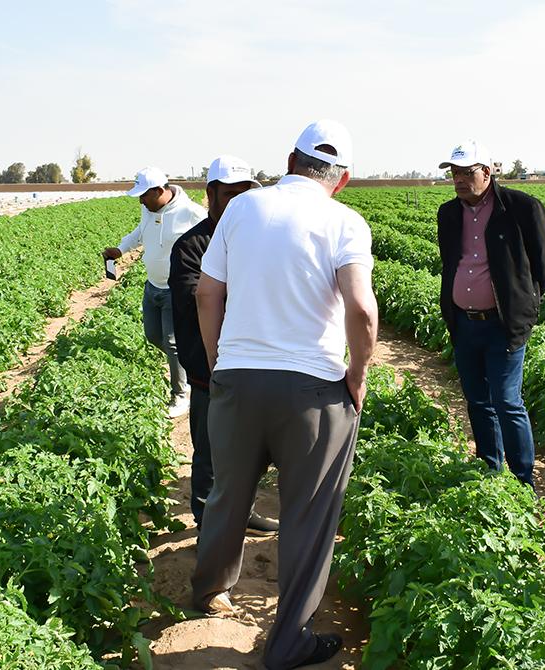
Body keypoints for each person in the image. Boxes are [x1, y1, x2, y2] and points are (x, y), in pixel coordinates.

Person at [190, 120, 378, 670]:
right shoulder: (344, 221)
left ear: (289, 162)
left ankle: (208, 591)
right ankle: (289, 638)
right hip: (314, 388)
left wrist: (219, 360)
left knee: (229, 491)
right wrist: (359, 373)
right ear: (341, 179)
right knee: (309, 512)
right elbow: (362, 310)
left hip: (240, 378)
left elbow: (207, 294)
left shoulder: (243, 210)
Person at [168, 154, 278, 535]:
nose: (237, 202)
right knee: (211, 453)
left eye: (244, 194)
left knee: (249, 452)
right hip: (208, 369)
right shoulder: (191, 246)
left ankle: (242, 513)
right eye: (229, 194)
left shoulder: (258, 240)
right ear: (209, 194)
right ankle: (206, 523)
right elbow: (195, 298)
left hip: (255, 363)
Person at [436, 140, 545, 487]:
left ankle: (522, 480)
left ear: (487, 172)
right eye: (454, 173)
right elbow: (451, 262)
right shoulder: (448, 213)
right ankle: (490, 468)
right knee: (477, 400)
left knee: (506, 401)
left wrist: (524, 307)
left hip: (502, 325)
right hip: (464, 323)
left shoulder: (521, 207)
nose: (459, 179)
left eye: (467, 172)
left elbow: (544, 265)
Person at [103, 167, 206, 417]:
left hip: (177, 290)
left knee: (172, 343)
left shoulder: (192, 213)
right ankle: (184, 368)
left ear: (160, 191)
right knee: (153, 336)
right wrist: (120, 249)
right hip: (153, 286)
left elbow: (213, 240)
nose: (140, 200)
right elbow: (140, 233)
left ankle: (181, 395)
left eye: (144, 195)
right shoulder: (148, 210)